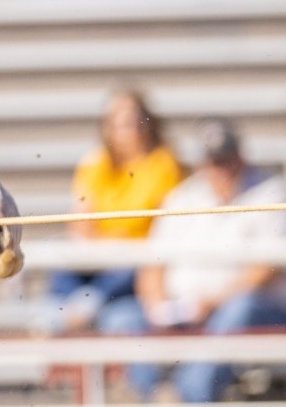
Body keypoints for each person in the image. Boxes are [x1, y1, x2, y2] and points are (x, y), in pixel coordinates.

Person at [97, 119, 286, 404]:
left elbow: (267, 269)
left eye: (226, 160)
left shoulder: (271, 193)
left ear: (241, 158)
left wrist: (210, 303)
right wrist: (158, 307)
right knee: (121, 317)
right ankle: (157, 402)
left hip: (249, 308)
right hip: (187, 311)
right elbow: (152, 265)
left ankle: (185, 405)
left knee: (238, 311)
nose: (220, 169)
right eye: (213, 161)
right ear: (201, 164)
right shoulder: (183, 196)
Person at [42, 89, 186, 335]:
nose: (130, 130)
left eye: (134, 121)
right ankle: (62, 309)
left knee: (129, 264)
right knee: (61, 253)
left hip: (137, 262)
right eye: (121, 123)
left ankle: (81, 307)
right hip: (102, 255)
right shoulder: (95, 164)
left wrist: (115, 243)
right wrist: (111, 242)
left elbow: (162, 230)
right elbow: (78, 224)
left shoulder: (164, 165)